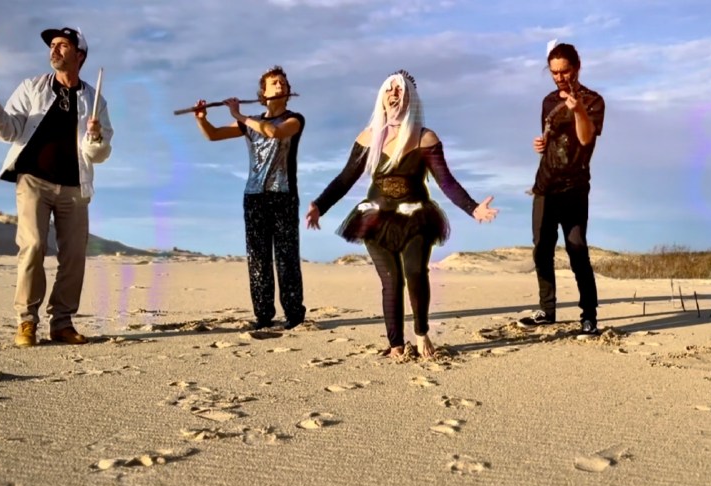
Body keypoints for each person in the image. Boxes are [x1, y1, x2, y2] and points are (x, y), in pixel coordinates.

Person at [306, 70, 497, 357]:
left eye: (400, 90)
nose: (394, 94)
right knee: (391, 280)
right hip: (374, 218)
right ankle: (396, 344)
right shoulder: (368, 137)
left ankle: (421, 334)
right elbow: (345, 178)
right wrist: (320, 206)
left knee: (415, 271)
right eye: (389, 89)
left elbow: (447, 182)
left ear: (411, 99)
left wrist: (473, 208)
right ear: (381, 97)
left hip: (415, 217)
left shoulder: (425, 137)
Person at [0, 27, 112, 347]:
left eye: (62, 45)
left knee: (74, 254)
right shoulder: (33, 87)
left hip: (75, 186)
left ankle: (62, 323)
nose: (54, 50)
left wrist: (95, 137)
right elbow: (10, 130)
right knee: (34, 245)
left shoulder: (95, 99)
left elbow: (99, 153)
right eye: (52, 45)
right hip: (34, 180)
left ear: (79, 55)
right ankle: (27, 321)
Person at [189, 66, 307, 330]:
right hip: (254, 196)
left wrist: (238, 115)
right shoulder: (250, 121)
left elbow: (274, 132)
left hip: (284, 195)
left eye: (283, 82)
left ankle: (294, 315)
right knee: (258, 258)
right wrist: (201, 119)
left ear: (288, 92)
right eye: (274, 82)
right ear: (263, 93)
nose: (280, 85)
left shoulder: (294, 119)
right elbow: (213, 135)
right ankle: (263, 316)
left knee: (286, 257)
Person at [519, 42, 606, 337]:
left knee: (577, 249)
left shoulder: (594, 101)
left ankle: (589, 316)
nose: (560, 77)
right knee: (541, 249)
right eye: (554, 72)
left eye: (565, 71)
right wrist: (541, 144)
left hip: (575, 188)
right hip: (545, 185)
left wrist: (578, 109)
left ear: (577, 67)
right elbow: (552, 140)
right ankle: (547, 310)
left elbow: (585, 139)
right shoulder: (547, 101)